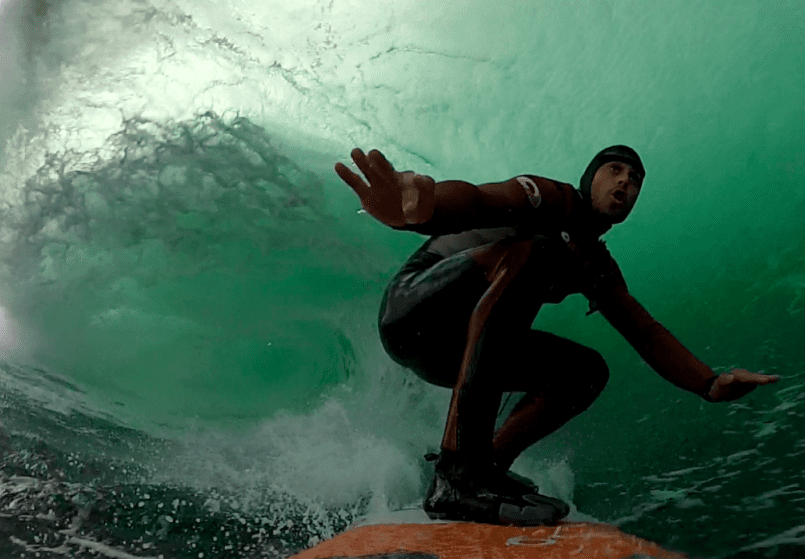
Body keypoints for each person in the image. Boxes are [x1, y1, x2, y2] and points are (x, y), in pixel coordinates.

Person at [334, 146, 780, 526]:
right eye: (614, 170)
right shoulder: (550, 200)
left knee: (585, 371)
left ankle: (487, 470)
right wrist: (418, 208)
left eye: (636, 179)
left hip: (455, 353)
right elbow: (478, 200)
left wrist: (708, 383)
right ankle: (459, 474)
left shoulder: (596, 264)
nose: (625, 183)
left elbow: (644, 331)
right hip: (412, 309)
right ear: (590, 179)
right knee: (539, 253)